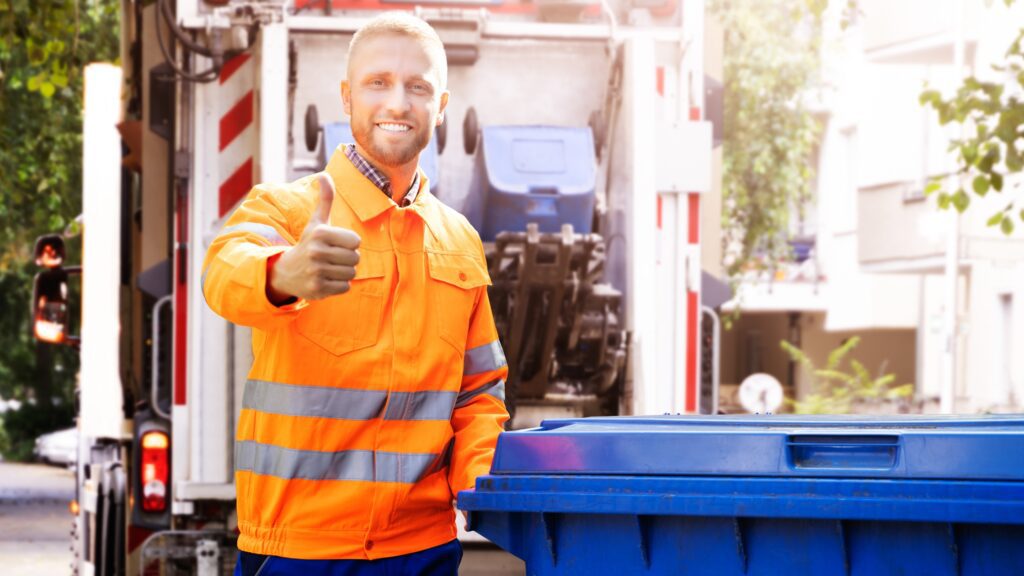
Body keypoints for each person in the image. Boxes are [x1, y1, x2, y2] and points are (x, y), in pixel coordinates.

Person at [202, 12, 509, 575]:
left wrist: (484, 491)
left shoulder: (460, 240)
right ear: (347, 97)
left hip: (421, 550)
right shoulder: (287, 211)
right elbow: (223, 273)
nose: (398, 102)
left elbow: (478, 393)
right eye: (377, 83)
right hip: (298, 550)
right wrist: (280, 274)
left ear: (440, 106)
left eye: (418, 87)